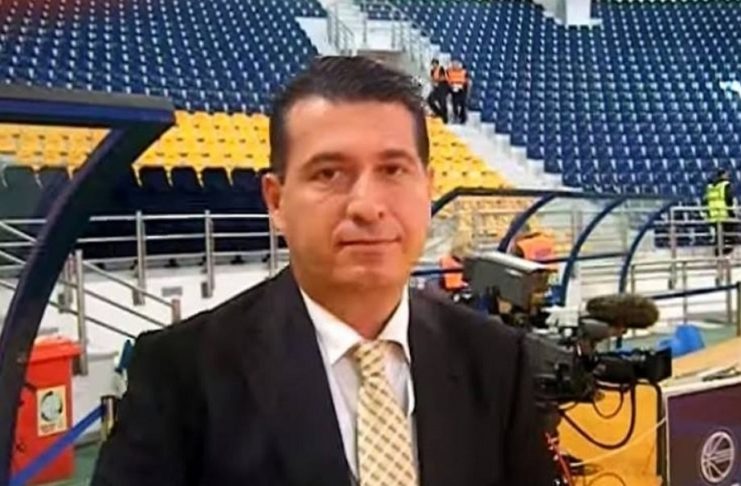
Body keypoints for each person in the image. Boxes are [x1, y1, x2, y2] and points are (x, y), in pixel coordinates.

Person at [92, 56, 553, 486]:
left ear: (428, 189)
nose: (367, 206)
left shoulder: (495, 358)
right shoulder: (180, 376)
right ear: (276, 201)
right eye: (329, 174)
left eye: (393, 170)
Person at [705, 169, 736, 255]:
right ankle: (723, 253)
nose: (728, 176)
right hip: (723, 214)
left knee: (719, 236)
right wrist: (732, 213)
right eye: (726, 174)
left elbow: (706, 200)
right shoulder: (725, 185)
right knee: (728, 236)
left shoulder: (710, 187)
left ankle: (718, 253)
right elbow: (728, 199)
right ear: (722, 175)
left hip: (714, 215)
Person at [446, 59, 470, 124]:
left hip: (462, 90)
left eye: (457, 64)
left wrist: (465, 89)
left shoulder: (464, 72)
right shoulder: (449, 71)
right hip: (453, 90)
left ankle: (463, 118)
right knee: (455, 104)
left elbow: (467, 81)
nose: (455, 65)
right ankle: (455, 117)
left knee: (463, 104)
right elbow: (447, 81)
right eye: (454, 64)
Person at [426, 58, 448, 123]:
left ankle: (444, 118)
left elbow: (444, 77)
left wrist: (437, 81)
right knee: (429, 100)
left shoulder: (441, 69)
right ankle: (438, 113)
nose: (434, 65)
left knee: (442, 102)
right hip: (436, 87)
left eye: (435, 64)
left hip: (443, 86)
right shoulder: (432, 71)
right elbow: (432, 79)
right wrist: (433, 83)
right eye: (433, 64)